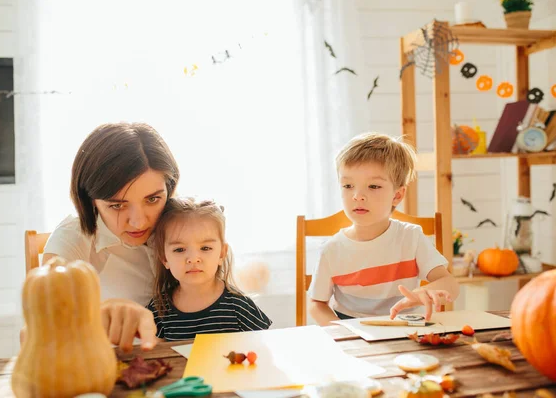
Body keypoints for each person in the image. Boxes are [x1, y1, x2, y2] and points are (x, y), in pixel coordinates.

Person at [40, 122, 180, 351]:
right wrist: (95, 316)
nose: (139, 222)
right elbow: (42, 327)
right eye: (117, 205)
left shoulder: (187, 225)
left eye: (153, 199)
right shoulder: (73, 237)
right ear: (89, 200)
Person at [307, 132, 460, 326]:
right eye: (348, 185)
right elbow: (316, 304)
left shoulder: (411, 237)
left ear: (397, 195)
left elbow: (451, 284)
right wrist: (343, 332)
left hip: (405, 329)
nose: (358, 195)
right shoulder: (331, 250)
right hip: (353, 333)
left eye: (373, 186)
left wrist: (427, 291)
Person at [147, 197, 272, 341]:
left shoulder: (239, 307)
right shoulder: (158, 310)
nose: (193, 259)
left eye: (205, 248)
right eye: (180, 249)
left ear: (221, 253)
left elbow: (265, 350)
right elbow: (153, 357)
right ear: (164, 258)